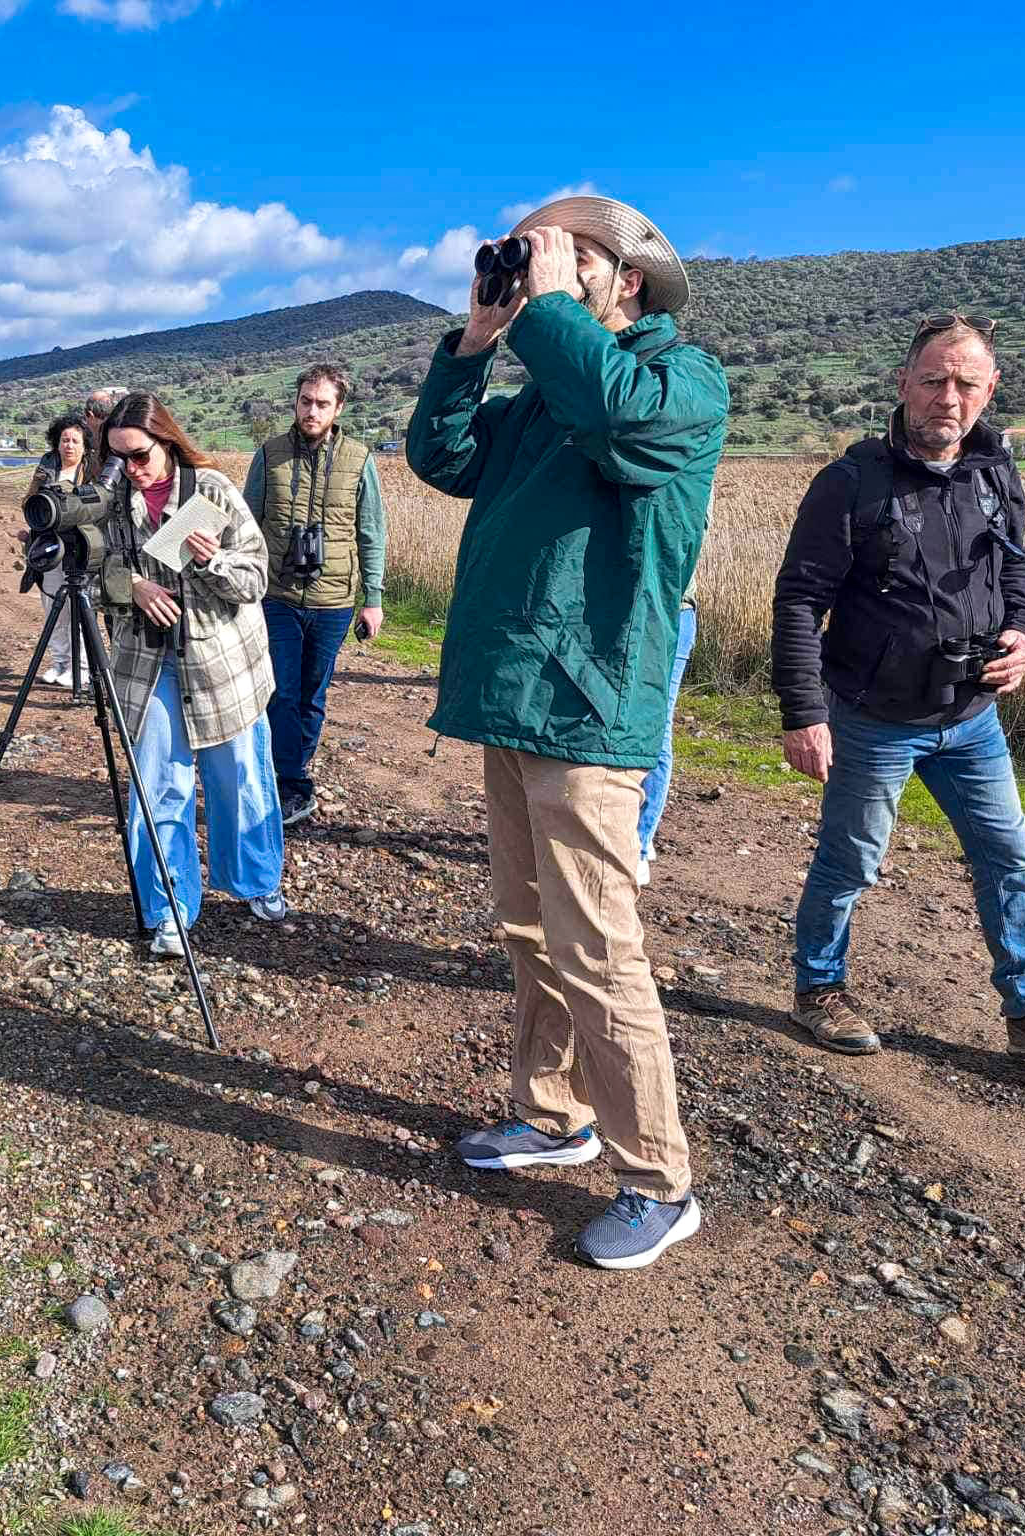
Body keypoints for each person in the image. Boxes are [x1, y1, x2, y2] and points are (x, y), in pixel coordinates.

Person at [406, 194, 726, 1270]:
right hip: (514, 697)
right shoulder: (543, 393)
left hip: (588, 709)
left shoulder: (681, 381)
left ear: (622, 280)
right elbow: (439, 456)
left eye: (565, 253)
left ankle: (658, 1178)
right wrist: (476, 341)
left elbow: (626, 425)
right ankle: (553, 1116)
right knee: (527, 928)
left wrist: (546, 316)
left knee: (597, 950)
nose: (539, 264)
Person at [772, 315, 1025, 1067]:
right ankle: (818, 991)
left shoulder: (997, 474)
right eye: (933, 380)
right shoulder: (849, 483)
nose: (948, 397)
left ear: (990, 389)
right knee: (851, 860)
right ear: (903, 385)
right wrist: (805, 713)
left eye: (966, 382)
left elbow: (1018, 573)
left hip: (971, 717)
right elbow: (801, 600)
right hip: (872, 718)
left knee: (1008, 857)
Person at [97, 392, 288, 956]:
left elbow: (255, 579)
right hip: (148, 661)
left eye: (139, 456)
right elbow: (94, 567)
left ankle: (256, 881)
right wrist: (132, 586)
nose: (130, 471)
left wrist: (212, 561)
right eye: (117, 458)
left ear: (168, 442)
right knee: (157, 788)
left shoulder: (211, 492)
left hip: (223, 665)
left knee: (242, 778)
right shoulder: (111, 497)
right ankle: (168, 910)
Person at [244, 363, 387, 826]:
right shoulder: (270, 454)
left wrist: (374, 598)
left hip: (334, 601)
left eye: (322, 403)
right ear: (296, 402)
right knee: (281, 691)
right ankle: (289, 783)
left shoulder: (360, 459)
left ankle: (293, 771)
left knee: (312, 695)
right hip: (278, 594)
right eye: (306, 401)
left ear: (338, 408)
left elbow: (371, 533)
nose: (311, 410)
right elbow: (244, 521)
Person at [636, 531, 703, 886]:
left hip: (671, 615)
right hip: (633, 610)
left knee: (655, 730)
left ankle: (639, 844)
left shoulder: (690, 479)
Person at [26, 411, 98, 689]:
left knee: (76, 609)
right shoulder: (46, 468)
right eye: (64, 440)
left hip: (80, 548)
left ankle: (79, 667)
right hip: (49, 546)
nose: (68, 445)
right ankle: (59, 661)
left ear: (84, 446)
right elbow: (30, 501)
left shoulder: (92, 471)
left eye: (74, 441)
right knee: (52, 605)